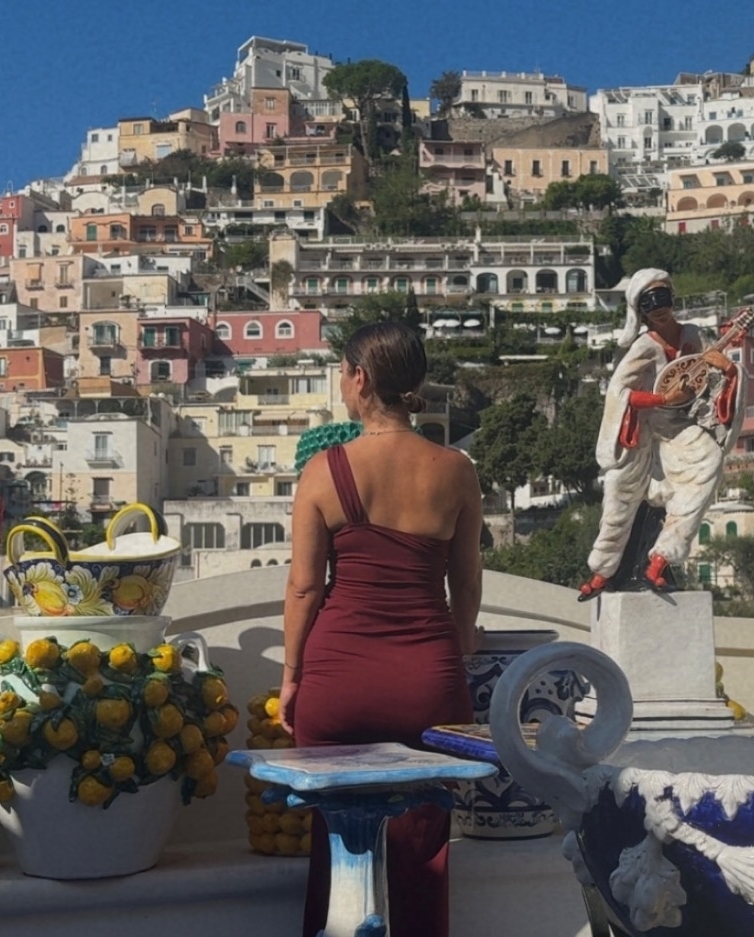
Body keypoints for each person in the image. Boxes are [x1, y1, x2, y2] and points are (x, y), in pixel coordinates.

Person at [280, 321, 483, 937]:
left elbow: (305, 588)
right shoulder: (456, 470)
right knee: (423, 849)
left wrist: (292, 677)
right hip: (427, 678)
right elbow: (466, 585)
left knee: (337, 842)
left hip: (338, 680)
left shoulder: (324, 470)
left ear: (360, 378)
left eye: (343, 372)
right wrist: (456, 654)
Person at [580, 268, 741, 597]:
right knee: (620, 494)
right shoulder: (643, 347)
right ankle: (602, 570)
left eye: (663, 297)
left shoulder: (693, 335)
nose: (658, 307)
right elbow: (618, 394)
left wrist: (727, 369)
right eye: (649, 301)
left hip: (677, 424)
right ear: (640, 310)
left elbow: (707, 380)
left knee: (708, 460)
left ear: (673, 298)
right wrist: (663, 399)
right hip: (641, 428)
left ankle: (661, 558)